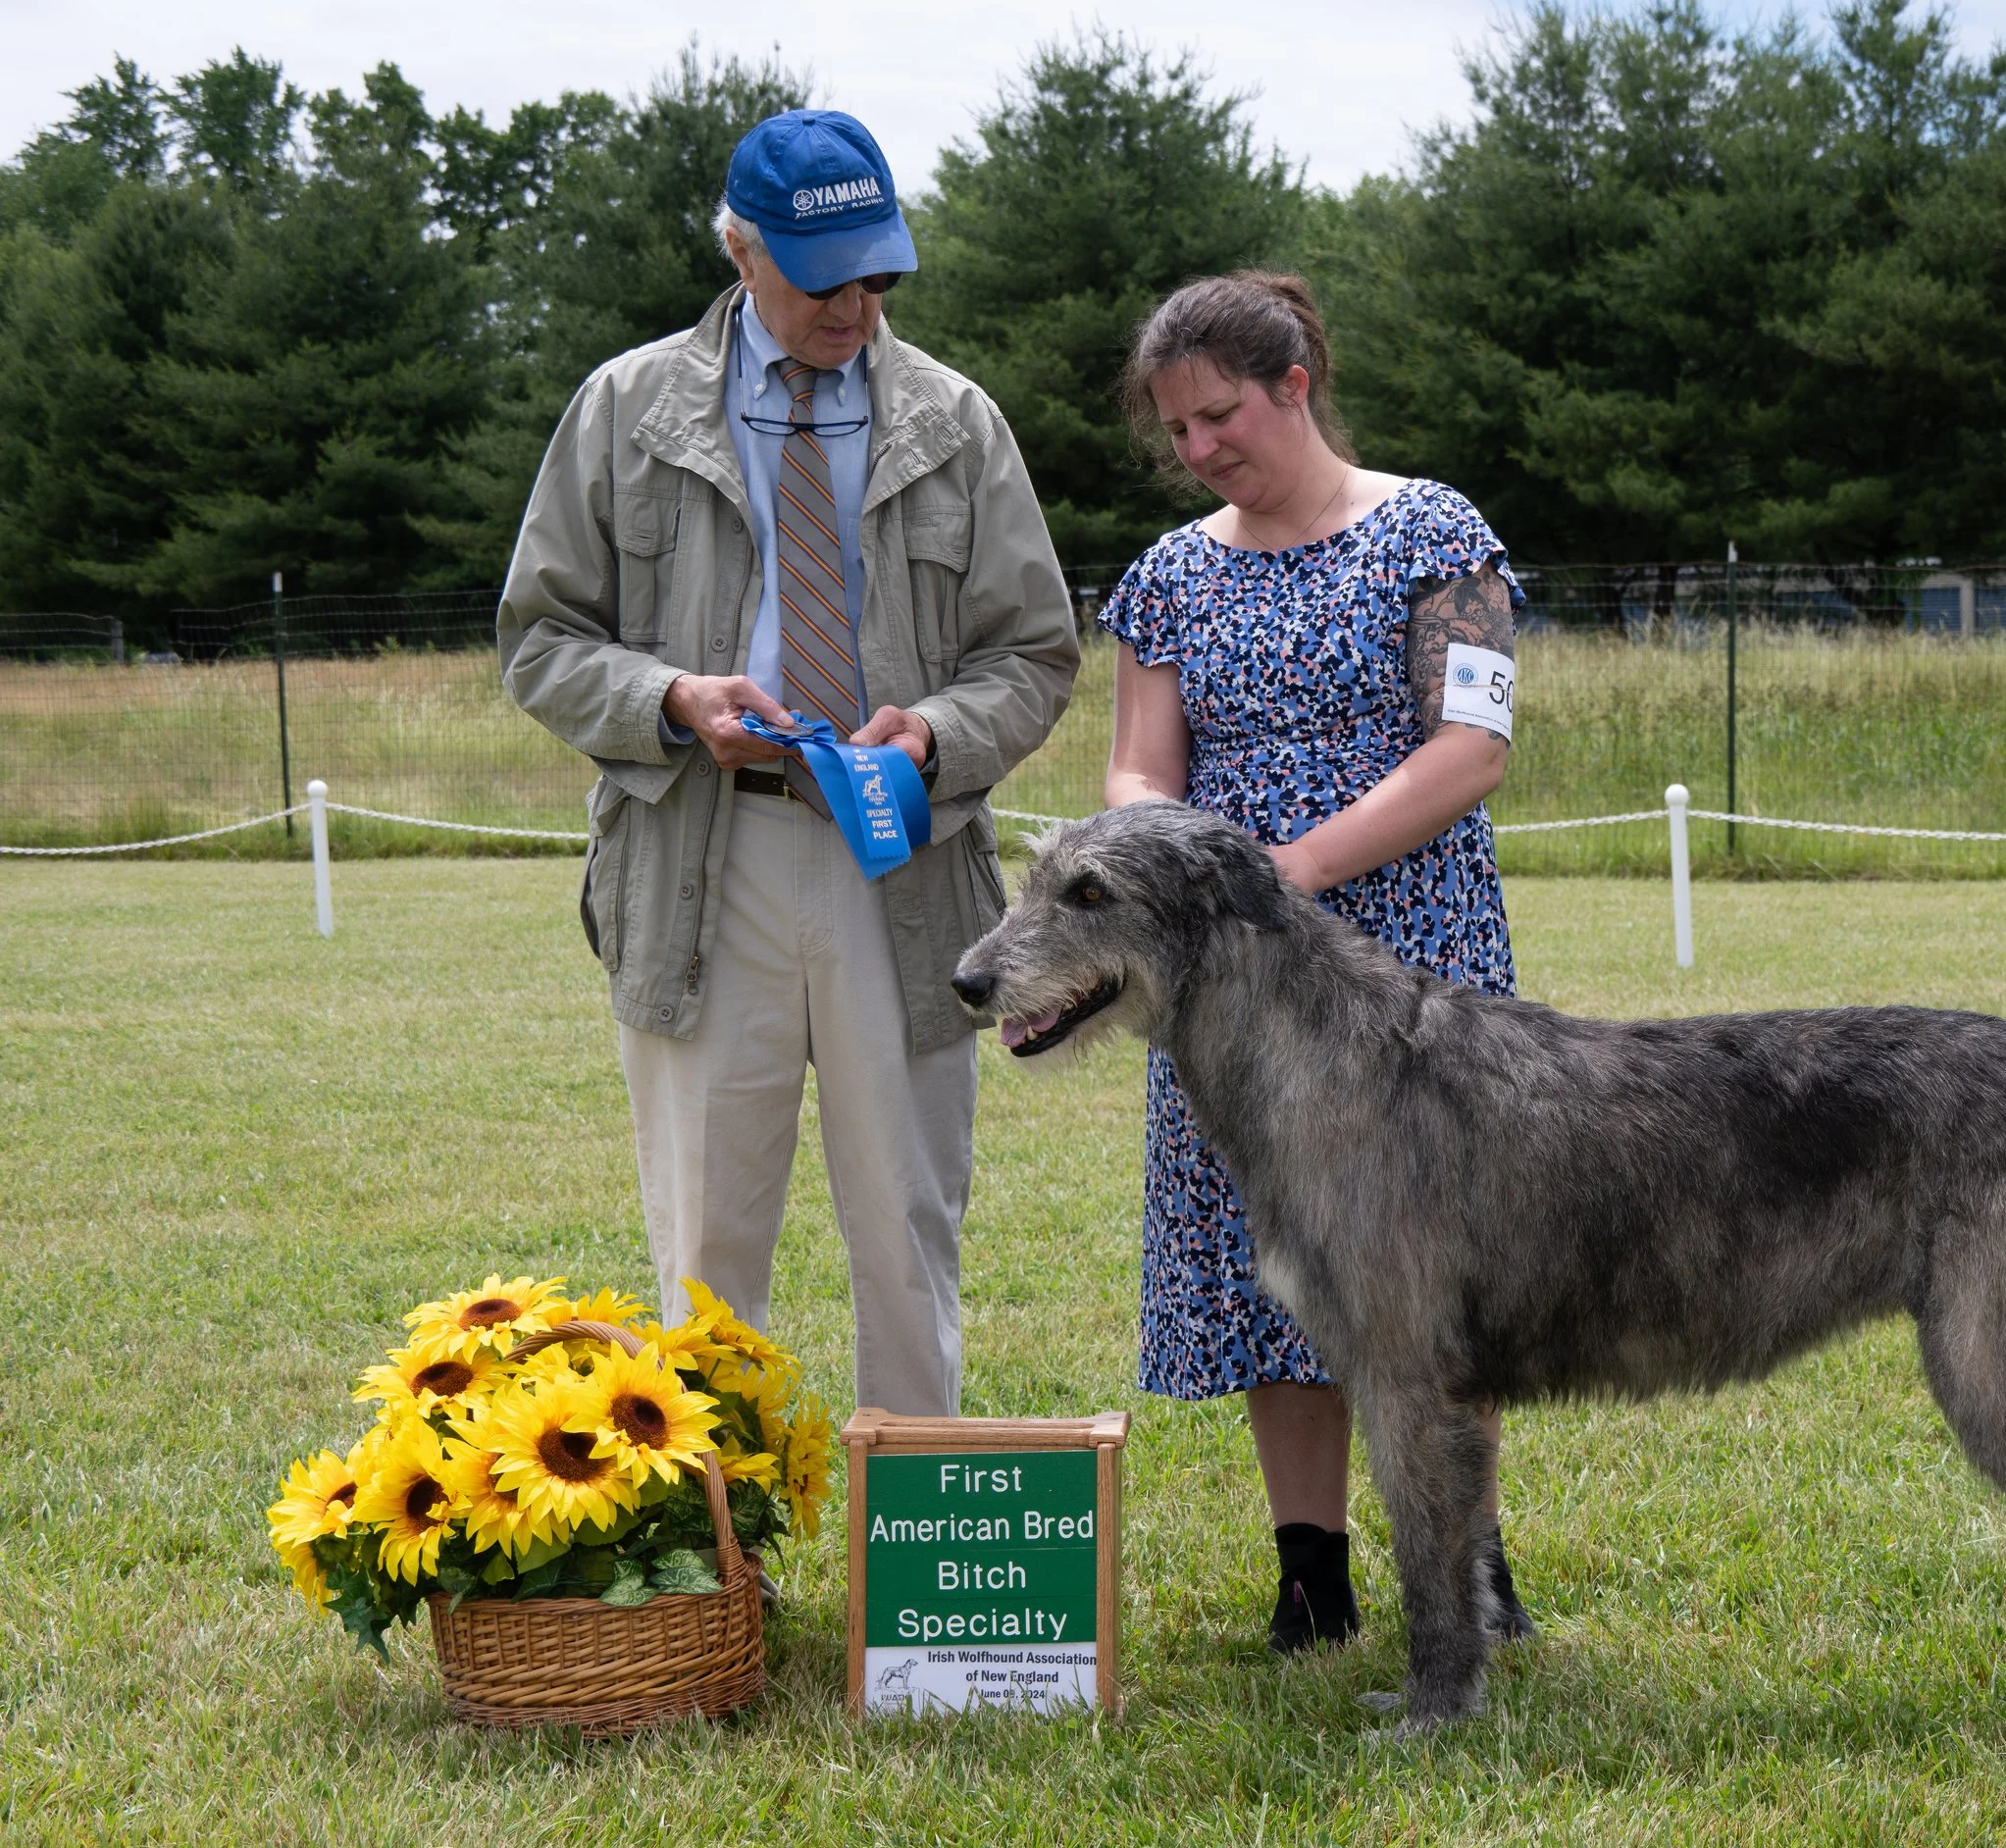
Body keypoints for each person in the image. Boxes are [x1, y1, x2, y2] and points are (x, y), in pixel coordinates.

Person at [499, 109, 1078, 1417]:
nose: (857, 305)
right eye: (827, 278)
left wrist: (934, 733)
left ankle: (916, 1593)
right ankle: (718, 1585)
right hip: (705, 855)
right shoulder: (625, 409)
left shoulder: (958, 422)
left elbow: (1035, 654)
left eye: (880, 272)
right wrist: (667, 697)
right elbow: (538, 640)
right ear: (740, 249)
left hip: (905, 861)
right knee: (705, 1256)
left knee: (908, 1242)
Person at [1100, 270, 1533, 1652]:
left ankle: (1464, 1559)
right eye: (1175, 429)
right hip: (1221, 978)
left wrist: (1296, 867)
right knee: (1258, 1259)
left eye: (1220, 415)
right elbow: (1136, 762)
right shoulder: (1166, 576)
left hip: (1412, 953)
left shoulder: (1436, 531)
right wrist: (1149, 850)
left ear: (1295, 386)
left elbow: (1471, 748)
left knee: (1433, 1268)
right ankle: (1312, 1575)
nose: (1198, 448)